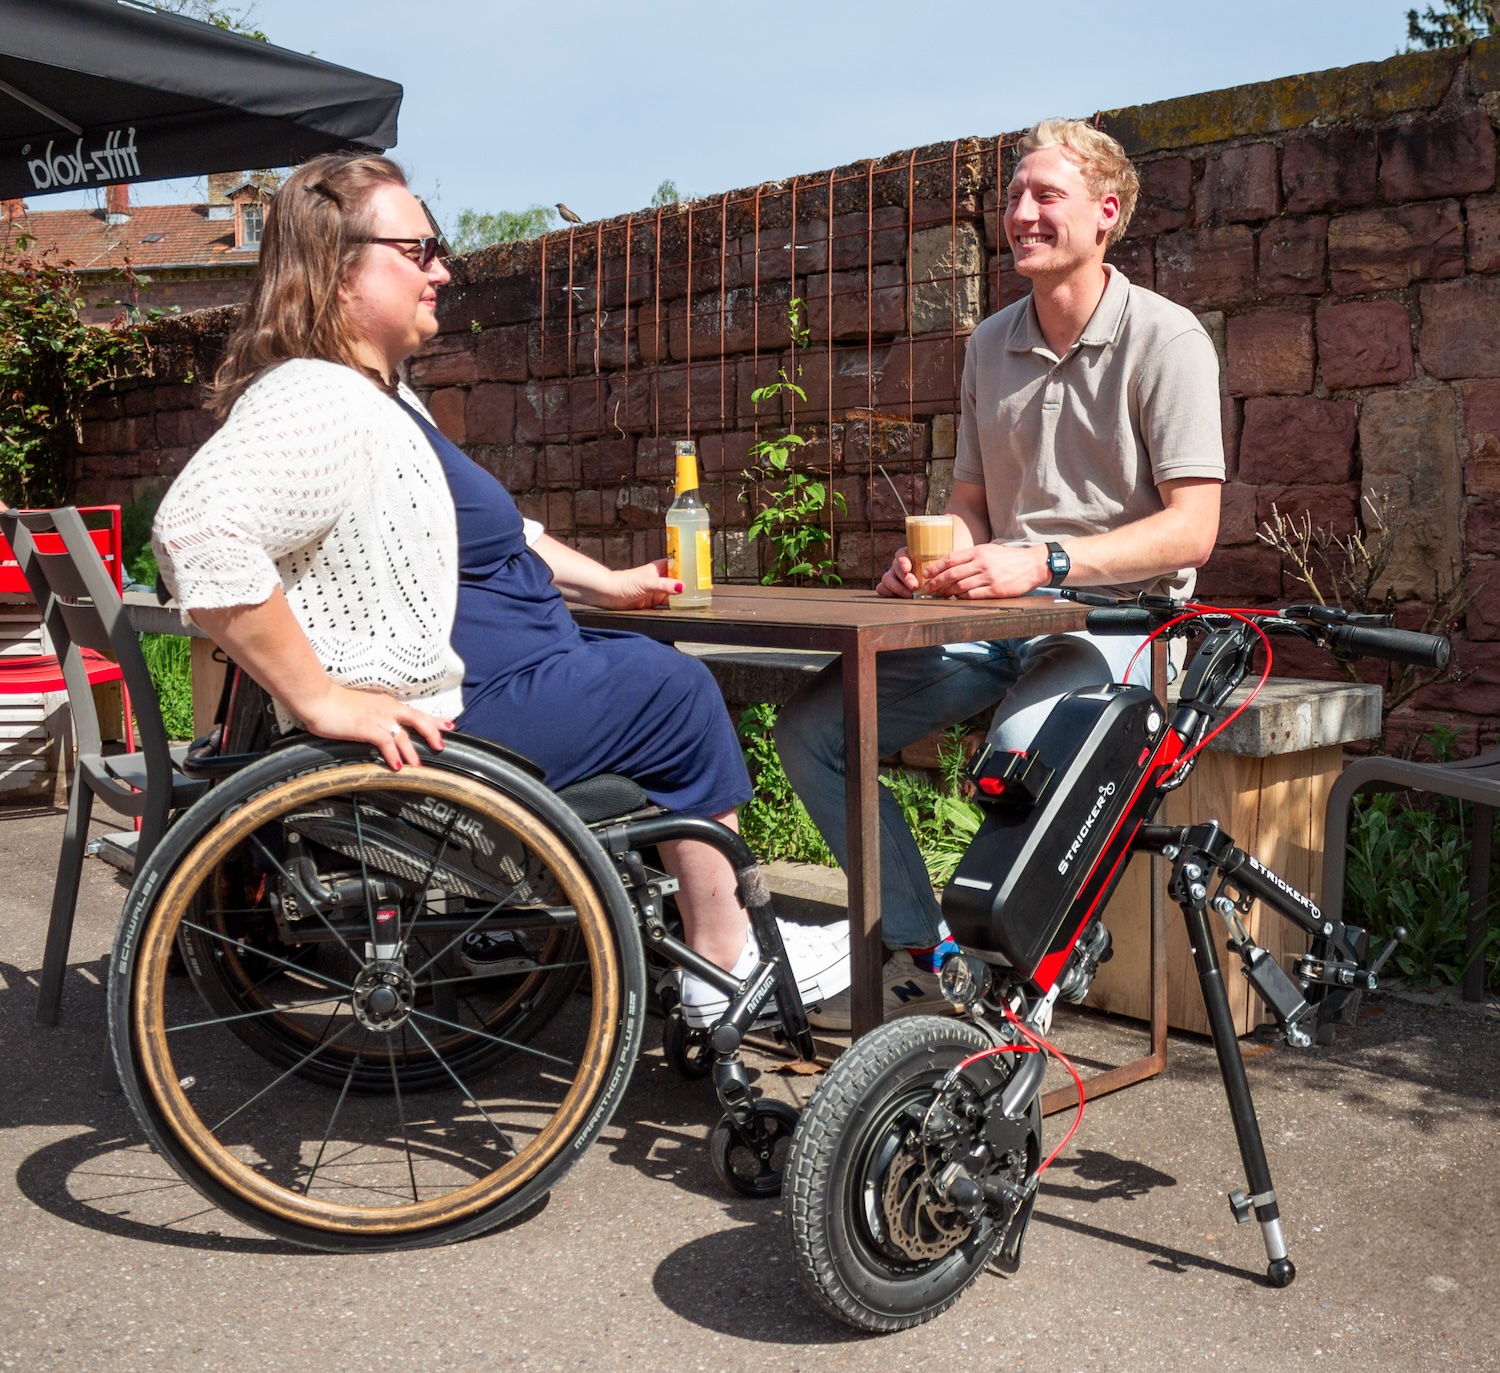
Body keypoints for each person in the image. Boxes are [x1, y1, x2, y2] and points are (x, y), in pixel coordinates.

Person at [151, 152, 849, 1027]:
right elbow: (196, 530)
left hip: (498, 686)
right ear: (335, 268)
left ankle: (702, 930)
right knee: (673, 689)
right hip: (466, 718)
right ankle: (721, 957)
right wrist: (322, 699)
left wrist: (606, 580)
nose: (442, 268)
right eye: (418, 249)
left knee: (648, 660)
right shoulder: (321, 399)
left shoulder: (386, 398)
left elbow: (488, 536)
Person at [776, 118, 1224, 1027]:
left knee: (1019, 750)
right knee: (814, 730)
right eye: (1012, 196)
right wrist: (933, 557)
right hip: (997, 614)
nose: (1017, 213)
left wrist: (1049, 560)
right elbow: (974, 504)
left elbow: (1194, 531)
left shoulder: (1167, 341)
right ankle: (930, 960)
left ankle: (1028, 985)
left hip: (1118, 626)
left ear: (1106, 215)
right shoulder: (989, 345)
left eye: (1043, 196)